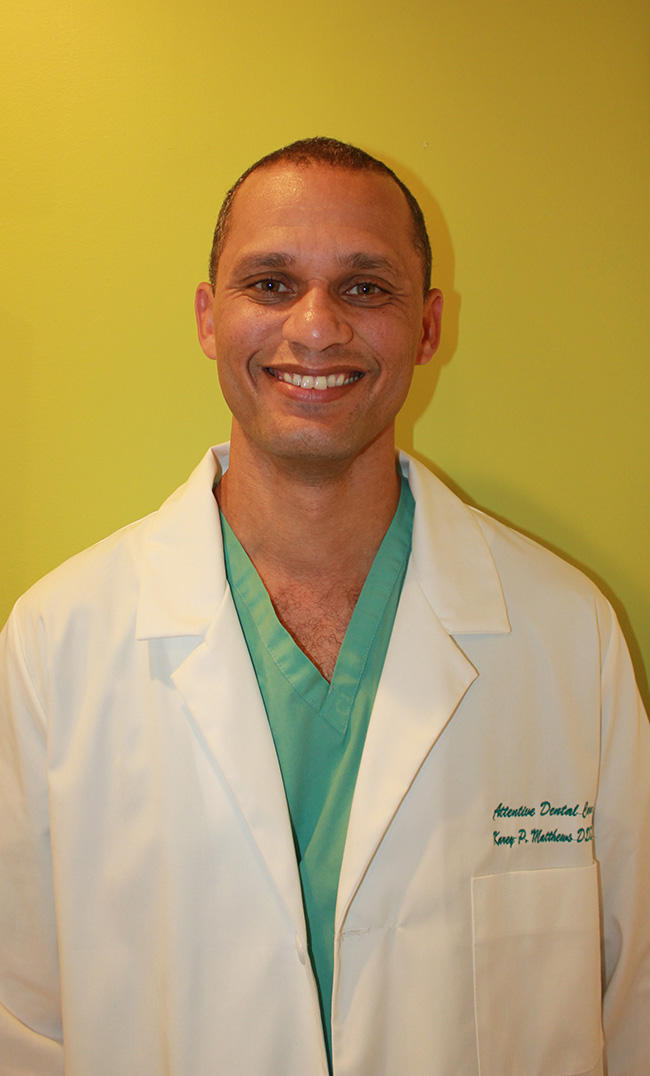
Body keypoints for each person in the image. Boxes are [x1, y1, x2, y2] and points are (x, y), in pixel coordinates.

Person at [1, 137, 648, 1076]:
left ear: (427, 328)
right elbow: (19, 1021)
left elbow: (633, 1004)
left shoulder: (566, 634)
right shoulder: (55, 644)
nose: (315, 329)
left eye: (365, 288)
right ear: (206, 318)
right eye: (269, 283)